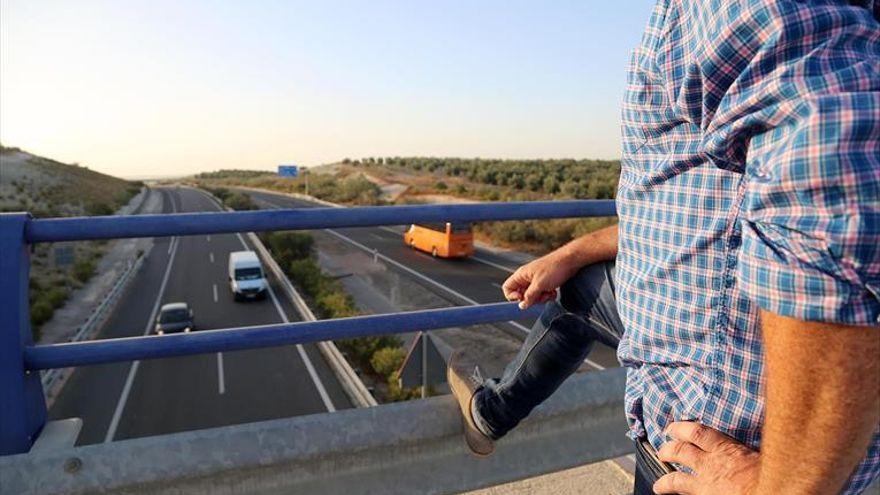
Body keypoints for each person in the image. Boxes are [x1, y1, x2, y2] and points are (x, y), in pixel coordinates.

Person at [447, 1, 880, 493]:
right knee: (581, 289)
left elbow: (832, 171)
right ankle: (493, 412)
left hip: (713, 441)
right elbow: (706, 209)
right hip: (791, 429)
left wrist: (786, 485)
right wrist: (575, 252)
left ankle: (492, 413)